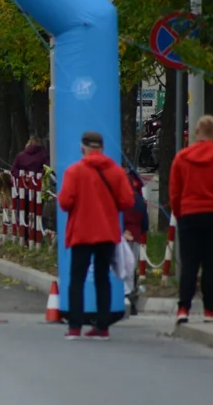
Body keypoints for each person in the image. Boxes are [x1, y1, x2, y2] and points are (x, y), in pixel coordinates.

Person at [57, 131, 134, 340]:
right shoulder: (116, 172)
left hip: (81, 232)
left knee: (77, 280)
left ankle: (74, 326)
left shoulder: (74, 172)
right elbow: (127, 201)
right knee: (103, 278)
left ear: (83, 149)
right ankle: (102, 326)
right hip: (107, 232)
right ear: (102, 148)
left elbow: (64, 202)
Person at [168, 114, 213, 324]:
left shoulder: (182, 157)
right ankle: (209, 310)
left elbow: (174, 191)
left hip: (189, 214)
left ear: (197, 132)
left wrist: (179, 213)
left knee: (189, 263)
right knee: (211, 264)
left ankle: (183, 309)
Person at [121, 169, 150, 316]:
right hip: (136, 237)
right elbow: (145, 223)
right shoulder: (138, 200)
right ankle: (131, 300)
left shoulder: (118, 199)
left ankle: (123, 297)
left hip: (120, 236)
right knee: (131, 269)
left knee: (119, 268)